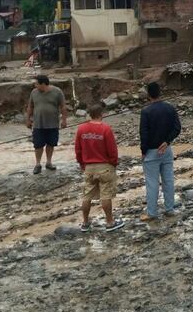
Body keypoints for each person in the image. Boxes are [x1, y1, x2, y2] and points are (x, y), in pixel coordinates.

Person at [75, 104, 124, 232]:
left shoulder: (81, 129)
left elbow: (78, 150)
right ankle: (109, 222)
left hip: (89, 167)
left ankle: (85, 223)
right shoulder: (106, 129)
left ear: (90, 114)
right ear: (101, 114)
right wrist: (113, 163)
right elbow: (112, 150)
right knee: (106, 194)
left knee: (87, 195)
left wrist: (81, 164)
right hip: (105, 166)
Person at [139, 82, 181, 221]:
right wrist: (167, 141)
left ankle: (152, 213)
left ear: (148, 95)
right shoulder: (170, 108)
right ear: (160, 92)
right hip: (167, 150)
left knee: (152, 184)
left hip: (151, 151)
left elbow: (144, 134)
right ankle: (169, 209)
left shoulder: (146, 112)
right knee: (168, 180)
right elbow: (177, 128)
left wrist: (143, 151)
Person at [25, 74, 67, 175]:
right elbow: (30, 106)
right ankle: (38, 164)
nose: (35, 85)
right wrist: (28, 119)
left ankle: (49, 162)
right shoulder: (34, 92)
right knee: (38, 145)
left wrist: (64, 120)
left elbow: (63, 107)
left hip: (53, 124)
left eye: (37, 84)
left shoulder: (57, 92)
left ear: (43, 84)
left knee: (51, 143)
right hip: (38, 124)